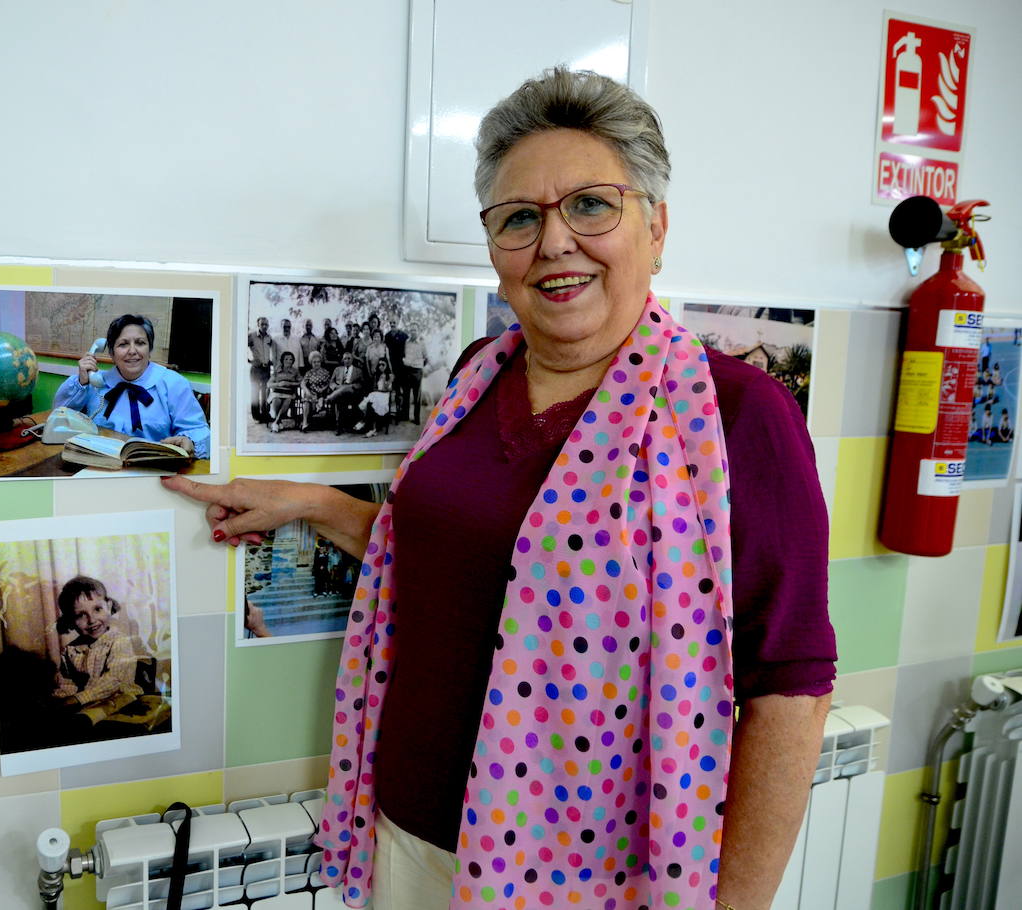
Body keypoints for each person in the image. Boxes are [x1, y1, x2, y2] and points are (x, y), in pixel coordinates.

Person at [164, 67, 833, 910]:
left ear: (655, 227)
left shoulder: (737, 415)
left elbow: (791, 690)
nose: (554, 243)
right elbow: (470, 558)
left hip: (588, 874)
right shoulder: (478, 375)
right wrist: (312, 506)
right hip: (409, 829)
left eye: (592, 205)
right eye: (520, 219)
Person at [52, 314, 209, 457]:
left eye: (140, 343)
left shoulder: (174, 383)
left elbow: (198, 430)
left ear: (149, 349)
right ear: (112, 352)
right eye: (123, 344)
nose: (132, 351)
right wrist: (82, 382)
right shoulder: (97, 382)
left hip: (154, 467)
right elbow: (60, 415)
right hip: (100, 462)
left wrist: (191, 442)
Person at [52, 576, 142, 716]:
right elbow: (67, 683)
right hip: (88, 703)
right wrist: (62, 699)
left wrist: (77, 699)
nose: (91, 620)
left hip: (121, 701)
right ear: (70, 620)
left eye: (97, 609)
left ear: (109, 606)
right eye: (81, 615)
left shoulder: (119, 642)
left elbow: (114, 680)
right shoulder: (71, 650)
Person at [247, 316, 277, 423]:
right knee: (255, 393)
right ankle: (256, 416)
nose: (264, 326)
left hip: (266, 368)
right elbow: (241, 347)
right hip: (256, 368)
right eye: (262, 324)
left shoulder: (269, 337)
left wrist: (271, 362)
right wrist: (250, 360)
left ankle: (265, 414)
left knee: (266, 393)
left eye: (266, 324)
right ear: (258, 325)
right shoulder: (251, 336)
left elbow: (272, 351)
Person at [297, 350, 334, 432]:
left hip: (323, 393)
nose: (316, 364)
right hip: (312, 394)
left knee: (313, 400)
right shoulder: (309, 373)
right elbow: (303, 383)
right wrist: (307, 391)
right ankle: (305, 423)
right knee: (307, 399)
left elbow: (330, 383)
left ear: (321, 362)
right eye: (314, 362)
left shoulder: (325, 372)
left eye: (318, 362)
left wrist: (323, 389)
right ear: (311, 363)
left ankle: (308, 419)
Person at [266, 351, 301, 432]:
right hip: (277, 393)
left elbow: (301, 382)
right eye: (286, 359)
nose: (289, 361)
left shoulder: (295, 371)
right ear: (282, 360)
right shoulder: (277, 371)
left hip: (289, 393)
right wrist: (279, 384)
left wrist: (290, 383)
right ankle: (279, 421)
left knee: (288, 400)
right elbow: (268, 384)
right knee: (276, 401)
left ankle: (276, 422)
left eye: (291, 359)